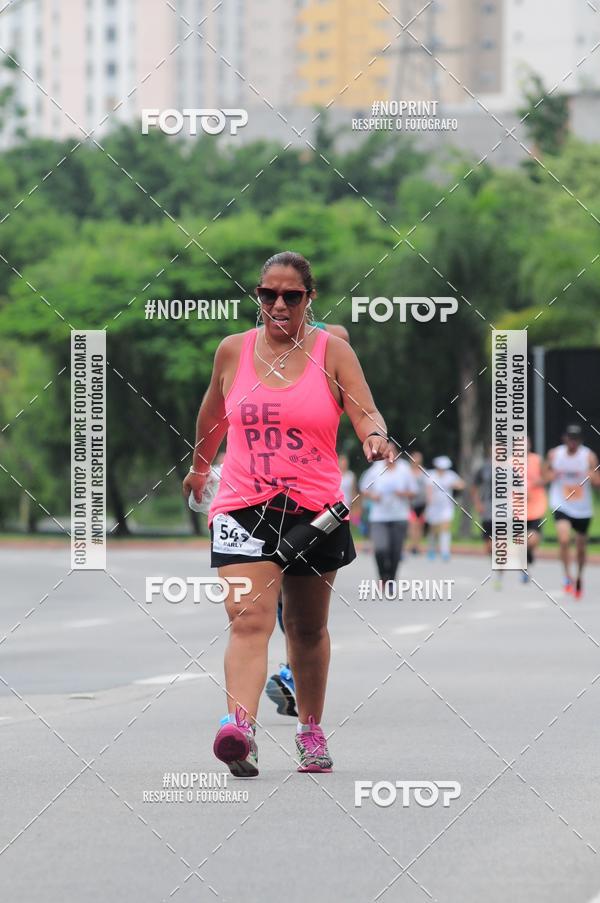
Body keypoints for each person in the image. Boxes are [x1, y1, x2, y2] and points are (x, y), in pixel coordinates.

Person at [183, 250, 394, 776]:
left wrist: (374, 437)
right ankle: (240, 728)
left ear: (309, 299)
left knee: (304, 628)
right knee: (248, 620)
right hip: (241, 504)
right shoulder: (232, 351)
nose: (278, 303)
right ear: (257, 295)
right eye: (268, 294)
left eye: (291, 296)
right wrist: (199, 466)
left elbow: (363, 407)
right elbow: (213, 413)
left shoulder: (333, 351)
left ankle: (310, 728)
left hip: (314, 511)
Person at [266, 334, 352, 719]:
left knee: (302, 614)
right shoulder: (273, 358)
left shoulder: (334, 366)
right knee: (276, 606)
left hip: (315, 507)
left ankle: (291, 672)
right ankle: (289, 671)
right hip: (265, 500)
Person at [546, 424, 599, 599]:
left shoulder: (588, 456)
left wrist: (592, 476)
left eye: (576, 439)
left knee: (581, 548)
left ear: (580, 440)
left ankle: (579, 577)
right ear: (565, 439)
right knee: (563, 539)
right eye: (570, 438)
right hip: (562, 504)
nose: (573, 442)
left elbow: (598, 482)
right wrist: (552, 475)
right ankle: (567, 576)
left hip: (583, 509)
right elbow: (544, 476)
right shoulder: (555, 455)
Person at [359, 453, 416, 584]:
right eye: (386, 453)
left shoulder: (404, 468)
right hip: (379, 517)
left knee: (395, 551)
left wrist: (403, 493)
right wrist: (373, 496)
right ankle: (383, 576)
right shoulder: (376, 468)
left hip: (399, 516)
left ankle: (391, 579)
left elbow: (413, 491)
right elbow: (364, 488)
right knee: (380, 548)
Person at [424, 456, 465, 562]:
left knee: (445, 528)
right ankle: (431, 549)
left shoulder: (450, 475)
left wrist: (454, 484)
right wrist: (429, 500)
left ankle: (445, 551)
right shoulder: (431, 474)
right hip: (433, 506)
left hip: (446, 506)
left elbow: (461, 484)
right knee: (433, 530)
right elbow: (428, 489)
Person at [471, 447, 501, 587]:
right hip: (487, 509)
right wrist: (477, 503)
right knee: (489, 545)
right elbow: (474, 486)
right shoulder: (484, 468)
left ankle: (500, 570)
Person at [524, 436, 547, 583]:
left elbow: (546, 477)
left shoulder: (537, 460)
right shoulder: (508, 462)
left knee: (533, 540)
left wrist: (536, 482)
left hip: (536, 506)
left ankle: (529, 553)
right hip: (516, 508)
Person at [407, 451, 428, 554]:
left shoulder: (424, 472)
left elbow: (428, 488)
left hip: (422, 502)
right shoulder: (407, 472)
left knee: (419, 525)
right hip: (410, 502)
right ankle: (412, 545)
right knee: (412, 524)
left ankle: (417, 545)